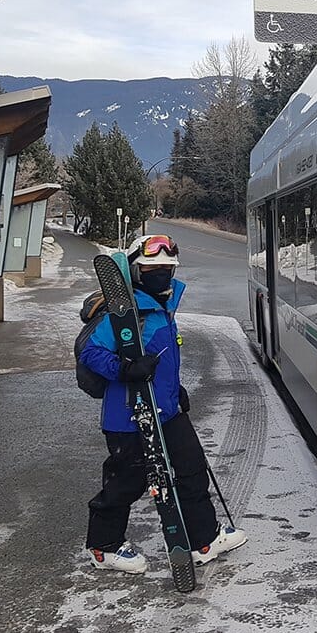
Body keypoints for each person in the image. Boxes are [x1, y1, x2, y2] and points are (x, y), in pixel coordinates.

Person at [80, 233, 247, 574]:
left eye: (166, 267)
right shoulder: (125, 312)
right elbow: (89, 352)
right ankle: (104, 547)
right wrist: (124, 369)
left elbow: (164, 358)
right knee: (128, 481)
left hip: (166, 409)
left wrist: (175, 390)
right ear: (137, 272)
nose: (161, 273)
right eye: (152, 267)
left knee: (191, 469)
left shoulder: (163, 307)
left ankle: (203, 539)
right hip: (129, 416)